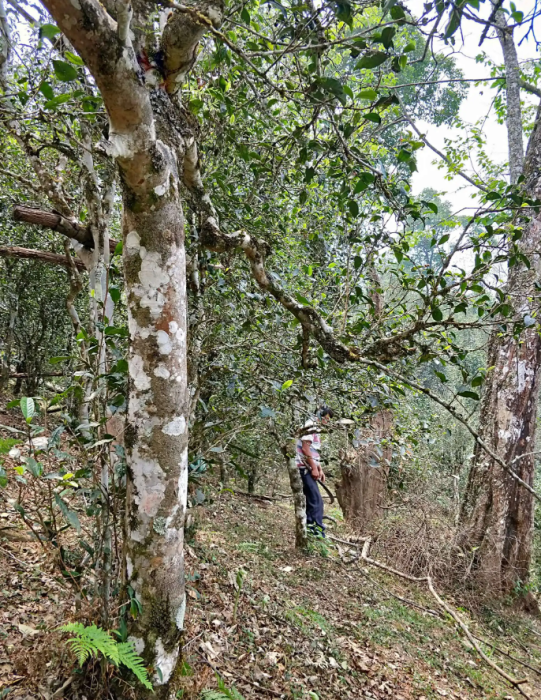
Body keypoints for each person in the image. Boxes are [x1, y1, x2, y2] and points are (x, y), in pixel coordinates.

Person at [296, 406, 334, 537]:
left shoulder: (315, 428)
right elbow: (306, 449)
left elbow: (313, 451)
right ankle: (317, 532)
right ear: (319, 415)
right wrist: (312, 468)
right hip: (304, 467)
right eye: (326, 418)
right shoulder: (310, 425)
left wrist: (319, 468)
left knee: (313, 499)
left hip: (309, 466)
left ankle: (312, 529)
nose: (327, 421)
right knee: (316, 501)